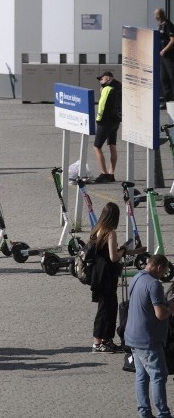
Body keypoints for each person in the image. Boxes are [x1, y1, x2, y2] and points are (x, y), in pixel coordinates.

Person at [90, 202, 145, 353]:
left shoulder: (97, 229)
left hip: (98, 274)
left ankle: (102, 341)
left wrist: (133, 251)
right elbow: (114, 257)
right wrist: (125, 249)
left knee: (104, 308)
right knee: (108, 308)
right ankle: (101, 342)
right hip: (107, 275)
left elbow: (108, 253)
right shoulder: (110, 232)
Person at [125, 254, 174, 418]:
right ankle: (163, 413)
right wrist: (172, 306)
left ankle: (144, 412)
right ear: (159, 267)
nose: (163, 275)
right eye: (164, 271)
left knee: (141, 375)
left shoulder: (137, 277)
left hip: (133, 337)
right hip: (148, 339)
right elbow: (160, 314)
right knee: (159, 375)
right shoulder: (154, 285)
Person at [93, 71, 121, 183]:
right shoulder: (119, 87)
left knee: (97, 147)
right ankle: (111, 173)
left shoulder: (107, 89)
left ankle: (104, 174)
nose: (101, 81)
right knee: (112, 145)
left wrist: (98, 119)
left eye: (102, 79)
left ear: (108, 78)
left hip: (105, 121)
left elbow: (102, 105)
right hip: (116, 121)